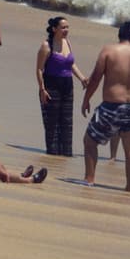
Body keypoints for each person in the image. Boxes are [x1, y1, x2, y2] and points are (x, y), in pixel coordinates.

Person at [80, 21, 130, 191]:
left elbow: (96, 78)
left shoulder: (108, 51)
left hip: (111, 106)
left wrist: (86, 99)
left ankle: (89, 179)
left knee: (89, 141)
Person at [36, 16, 89, 156]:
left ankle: (65, 153)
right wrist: (42, 89)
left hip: (67, 85)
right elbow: (39, 69)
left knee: (66, 121)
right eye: (63, 27)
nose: (66, 30)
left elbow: (70, 64)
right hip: (50, 85)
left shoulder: (67, 42)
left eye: (67, 27)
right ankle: (52, 153)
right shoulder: (47, 45)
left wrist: (82, 78)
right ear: (54, 29)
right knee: (52, 122)